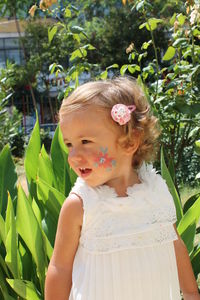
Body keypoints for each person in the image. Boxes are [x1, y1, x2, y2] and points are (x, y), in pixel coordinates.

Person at [45, 76, 200, 300]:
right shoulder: (80, 205)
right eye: (69, 144)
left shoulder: (155, 191)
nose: (73, 156)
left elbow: (174, 244)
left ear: (130, 142)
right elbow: (60, 269)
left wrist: (190, 292)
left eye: (85, 141)